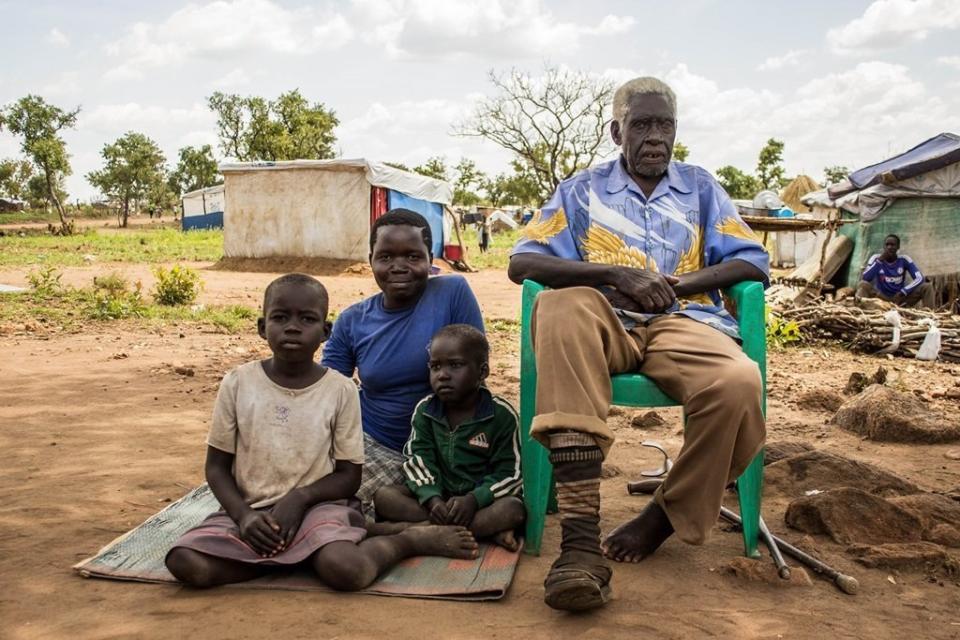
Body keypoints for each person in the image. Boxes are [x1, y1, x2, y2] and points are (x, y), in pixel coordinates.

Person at [507, 77, 769, 611]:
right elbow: (523, 262)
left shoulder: (700, 188)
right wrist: (615, 275)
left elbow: (751, 262)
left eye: (665, 125)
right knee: (557, 304)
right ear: (616, 131)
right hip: (606, 321)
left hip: (685, 322)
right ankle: (580, 543)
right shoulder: (580, 191)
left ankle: (664, 515)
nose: (655, 137)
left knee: (739, 382)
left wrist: (680, 284)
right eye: (642, 124)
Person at [164, 274, 479, 590]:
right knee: (185, 561)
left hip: (319, 510)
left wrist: (300, 498)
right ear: (262, 327)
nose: (292, 327)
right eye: (280, 317)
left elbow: (348, 477)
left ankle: (406, 541)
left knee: (347, 569)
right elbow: (216, 468)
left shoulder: (340, 390)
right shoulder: (237, 383)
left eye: (307, 319)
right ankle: (296, 558)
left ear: (325, 331)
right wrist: (244, 516)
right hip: (252, 509)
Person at [322, 209, 485, 518]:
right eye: (385, 257)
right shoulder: (352, 320)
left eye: (413, 256)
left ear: (430, 257)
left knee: (341, 507)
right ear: (370, 259)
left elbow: (476, 373)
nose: (399, 267)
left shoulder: (452, 293)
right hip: (373, 444)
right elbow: (328, 389)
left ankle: (405, 524)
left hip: (446, 449)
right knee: (309, 485)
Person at [374, 324, 526, 551]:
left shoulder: (502, 415)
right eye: (435, 367)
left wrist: (475, 499)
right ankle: (457, 530)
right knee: (385, 496)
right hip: (439, 500)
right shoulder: (425, 410)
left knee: (513, 509)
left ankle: (422, 531)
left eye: (455, 365)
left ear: (482, 371)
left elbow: (511, 474)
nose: (443, 375)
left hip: (480, 504)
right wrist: (432, 497)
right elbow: (418, 459)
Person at [856, 234, 935, 308]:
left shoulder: (904, 260)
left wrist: (904, 291)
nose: (889, 247)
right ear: (884, 247)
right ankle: (859, 312)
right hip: (880, 298)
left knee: (927, 287)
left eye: (892, 245)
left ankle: (931, 317)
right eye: (887, 245)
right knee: (863, 284)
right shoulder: (876, 259)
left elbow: (920, 278)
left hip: (900, 298)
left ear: (898, 247)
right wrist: (880, 261)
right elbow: (866, 277)